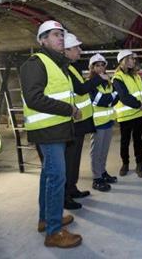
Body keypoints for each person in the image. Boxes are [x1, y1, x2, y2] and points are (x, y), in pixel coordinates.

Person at [20, 20, 82, 248]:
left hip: (57, 129)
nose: (60, 38)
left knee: (49, 176)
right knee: (57, 177)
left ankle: (46, 219)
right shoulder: (36, 63)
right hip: (47, 132)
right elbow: (34, 98)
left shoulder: (57, 64)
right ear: (43, 40)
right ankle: (54, 232)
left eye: (61, 35)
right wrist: (70, 110)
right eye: (55, 35)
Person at [63, 33, 107, 210]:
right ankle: (65, 195)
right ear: (66, 50)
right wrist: (98, 79)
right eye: (76, 48)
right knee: (68, 161)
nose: (80, 50)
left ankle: (72, 188)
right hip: (72, 121)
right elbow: (80, 90)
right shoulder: (65, 68)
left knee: (74, 160)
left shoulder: (71, 67)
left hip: (80, 121)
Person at [112, 49, 142, 178]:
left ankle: (139, 165)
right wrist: (140, 105)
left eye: (133, 59)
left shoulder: (136, 75)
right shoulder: (117, 78)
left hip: (139, 114)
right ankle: (125, 164)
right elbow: (124, 96)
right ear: (122, 61)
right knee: (125, 142)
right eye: (130, 59)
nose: (133, 61)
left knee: (138, 141)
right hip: (126, 116)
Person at [88, 53, 119, 191]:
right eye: (97, 65)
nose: (100, 68)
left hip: (108, 122)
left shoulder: (108, 82)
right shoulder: (91, 83)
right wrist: (110, 98)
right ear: (92, 68)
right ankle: (97, 178)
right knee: (96, 151)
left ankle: (103, 172)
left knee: (104, 150)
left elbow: (116, 97)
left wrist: (109, 98)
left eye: (102, 65)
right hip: (97, 123)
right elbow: (100, 100)